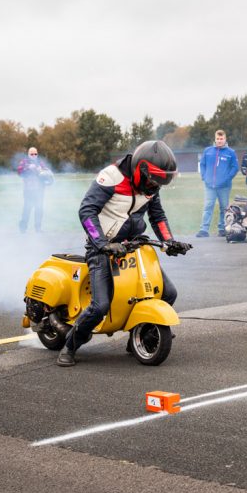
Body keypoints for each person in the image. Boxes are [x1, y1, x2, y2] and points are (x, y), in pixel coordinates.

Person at [58, 140, 190, 366]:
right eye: (155, 179)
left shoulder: (151, 186)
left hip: (134, 246)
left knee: (168, 293)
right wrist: (102, 243)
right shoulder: (111, 177)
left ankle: (137, 337)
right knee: (100, 305)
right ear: (141, 170)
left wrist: (170, 242)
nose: (157, 185)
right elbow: (87, 210)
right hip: (103, 248)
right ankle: (69, 346)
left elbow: (157, 216)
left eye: (162, 181)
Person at [197, 130, 239, 238]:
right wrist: (204, 177)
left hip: (224, 187)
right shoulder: (208, 151)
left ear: (225, 139)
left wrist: (227, 178)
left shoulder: (231, 152)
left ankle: (222, 229)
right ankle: (204, 230)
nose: (219, 141)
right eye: (218, 139)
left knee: (224, 208)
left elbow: (235, 168)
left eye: (221, 139)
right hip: (210, 186)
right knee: (208, 206)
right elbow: (202, 165)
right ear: (215, 139)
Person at [17, 146, 54, 233]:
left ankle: (38, 228)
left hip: (40, 191)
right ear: (28, 154)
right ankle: (22, 229)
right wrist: (28, 167)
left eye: (35, 154)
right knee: (27, 209)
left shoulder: (40, 163)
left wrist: (42, 170)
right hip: (28, 191)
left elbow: (48, 173)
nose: (34, 155)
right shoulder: (24, 162)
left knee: (39, 209)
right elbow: (19, 171)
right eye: (32, 154)